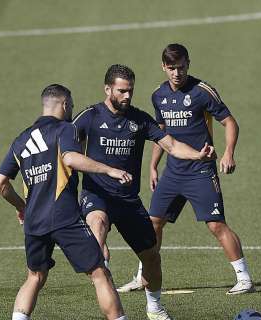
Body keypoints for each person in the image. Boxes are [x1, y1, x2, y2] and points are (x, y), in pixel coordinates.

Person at [72, 64, 215, 320]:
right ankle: (105, 283)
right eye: (122, 91)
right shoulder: (90, 116)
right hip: (97, 195)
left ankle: (155, 307)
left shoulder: (140, 119)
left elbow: (170, 144)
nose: (127, 96)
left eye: (131, 91)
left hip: (128, 201)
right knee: (98, 228)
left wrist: (198, 154)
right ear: (108, 89)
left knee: (151, 257)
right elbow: (67, 150)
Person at [117, 43, 254, 295]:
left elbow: (230, 122)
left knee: (215, 224)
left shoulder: (203, 92)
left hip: (201, 171)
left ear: (188, 64)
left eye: (180, 67)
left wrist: (228, 153)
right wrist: (153, 166)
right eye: (171, 68)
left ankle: (244, 278)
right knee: (152, 223)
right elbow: (160, 133)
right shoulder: (158, 95)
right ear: (163, 67)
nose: (176, 73)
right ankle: (142, 276)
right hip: (173, 172)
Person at [0, 84, 131, 320]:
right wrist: (109, 170)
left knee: (35, 276)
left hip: (34, 221)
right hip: (64, 217)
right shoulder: (65, 129)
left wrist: (22, 207)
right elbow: (70, 158)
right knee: (99, 272)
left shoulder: (21, 139)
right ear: (65, 105)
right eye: (71, 106)